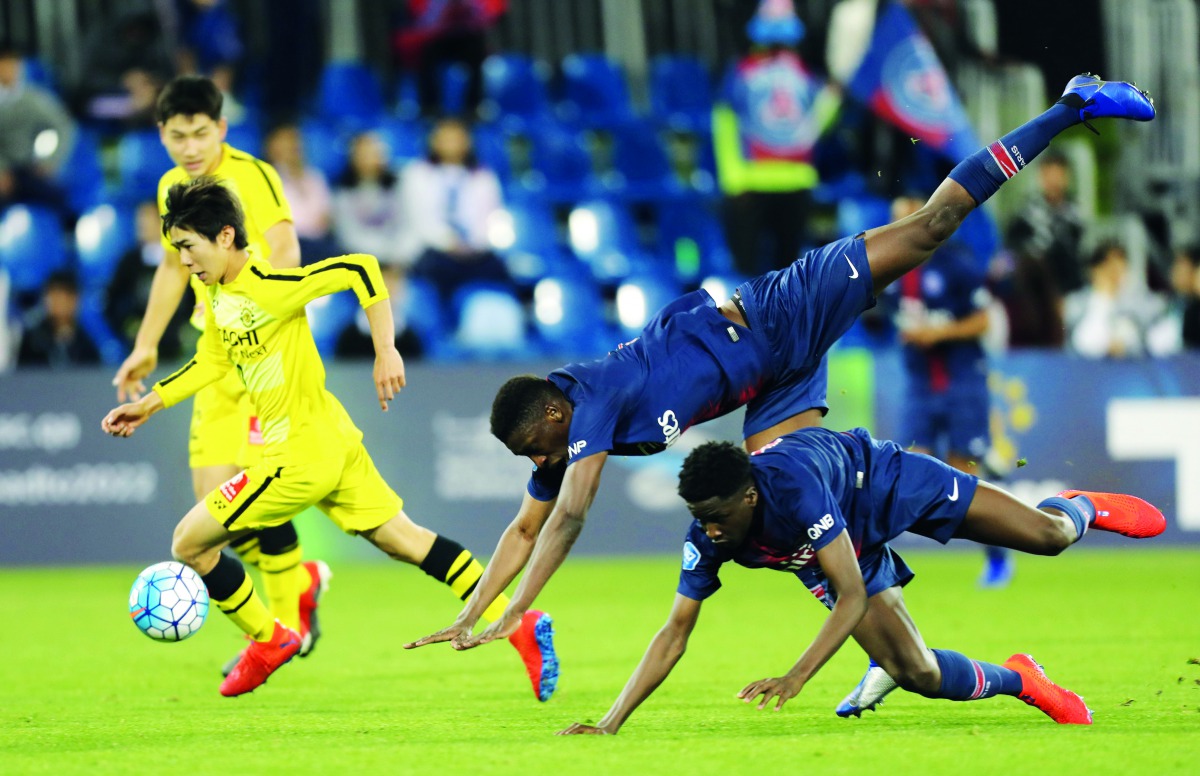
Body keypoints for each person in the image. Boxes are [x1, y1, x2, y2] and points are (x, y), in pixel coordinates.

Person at [404, 73, 1156, 655]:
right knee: (793, 511)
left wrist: (514, 614)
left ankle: (1071, 107)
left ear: (554, 416)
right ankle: (901, 651)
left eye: (534, 446)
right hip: (772, 384)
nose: (537, 462)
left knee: (931, 226)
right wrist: (472, 613)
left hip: (780, 311)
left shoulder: (590, 404)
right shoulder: (561, 432)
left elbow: (567, 518)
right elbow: (525, 527)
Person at [101, 178, 559, 699]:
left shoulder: (271, 284)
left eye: (188, 246)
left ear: (225, 236)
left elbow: (362, 266)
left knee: (189, 542)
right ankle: (521, 623)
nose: (183, 260)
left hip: (295, 455)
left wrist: (385, 348)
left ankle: (270, 639)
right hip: (331, 441)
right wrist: (149, 402)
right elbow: (212, 359)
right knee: (406, 541)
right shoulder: (217, 290)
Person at [556, 433, 1165, 734]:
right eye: (698, 517)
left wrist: (795, 676)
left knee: (1047, 538)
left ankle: (1080, 506)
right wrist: (611, 723)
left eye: (717, 516)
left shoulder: (793, 489)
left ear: (749, 495)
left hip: (887, 483)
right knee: (918, 674)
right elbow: (673, 633)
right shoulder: (707, 536)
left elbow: (850, 596)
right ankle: (1022, 679)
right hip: (836, 549)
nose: (709, 530)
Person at [112, 75, 319, 678]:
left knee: (259, 495)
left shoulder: (251, 176)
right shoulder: (171, 186)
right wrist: (147, 344)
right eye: (178, 136)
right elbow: (174, 271)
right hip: (213, 353)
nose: (190, 147)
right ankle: (299, 585)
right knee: (215, 510)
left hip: (258, 354)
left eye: (201, 133)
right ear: (163, 135)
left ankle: (285, 628)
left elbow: (285, 250)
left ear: (221, 130)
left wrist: (252, 310)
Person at [713, 0, 840, 275]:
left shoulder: (799, 75)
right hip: (757, 184)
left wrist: (832, 98)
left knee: (785, 276)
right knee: (751, 275)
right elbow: (725, 125)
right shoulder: (745, 73)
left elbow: (815, 126)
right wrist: (733, 179)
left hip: (790, 183)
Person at [404, 117, 510, 308]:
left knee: (501, 274)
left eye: (457, 138)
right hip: (435, 251)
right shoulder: (417, 174)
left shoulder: (484, 177)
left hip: (476, 252)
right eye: (446, 137)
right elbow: (418, 219)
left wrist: (473, 244)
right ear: (434, 141)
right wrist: (448, 242)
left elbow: (493, 218)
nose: (452, 144)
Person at [105, 200, 190, 358]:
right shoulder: (129, 261)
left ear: (163, 221)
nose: (142, 224)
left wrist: (187, 328)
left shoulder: (184, 257)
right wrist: (128, 326)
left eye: (148, 218)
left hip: (178, 346)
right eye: (140, 219)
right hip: (139, 346)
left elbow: (195, 298)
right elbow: (112, 301)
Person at [0, 46, 78, 219]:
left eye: (12, 64)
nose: (9, 70)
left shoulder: (34, 98)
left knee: (59, 201)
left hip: (29, 169)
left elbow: (63, 125)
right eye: (4, 65)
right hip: (3, 171)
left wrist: (51, 161)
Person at [1064, 240, 1167, 359]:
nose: (1114, 275)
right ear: (1094, 270)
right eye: (1108, 268)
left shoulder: (1142, 305)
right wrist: (1103, 299)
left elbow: (1149, 344)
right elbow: (1077, 345)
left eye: (1119, 267)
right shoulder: (1075, 304)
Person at [17, 271, 100, 369]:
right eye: (54, 296)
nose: (60, 303)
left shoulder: (86, 345)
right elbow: (22, 378)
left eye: (65, 297)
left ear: (75, 300)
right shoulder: (32, 342)